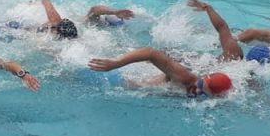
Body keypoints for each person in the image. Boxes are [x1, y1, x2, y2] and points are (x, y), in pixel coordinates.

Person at [88, 47, 233, 97]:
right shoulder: (187, 79)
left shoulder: (222, 97)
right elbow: (150, 52)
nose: (197, 88)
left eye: (202, 90)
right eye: (201, 84)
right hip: (126, 82)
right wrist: (116, 63)